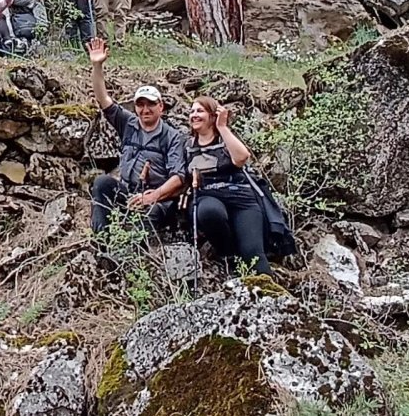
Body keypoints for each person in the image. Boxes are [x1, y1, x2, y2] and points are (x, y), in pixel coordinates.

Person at [88, 38, 185, 236]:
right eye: (140, 105)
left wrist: (153, 196)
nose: (145, 109)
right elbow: (102, 98)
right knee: (102, 183)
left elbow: (178, 177)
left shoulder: (172, 137)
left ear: (161, 107)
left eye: (150, 104)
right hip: (127, 192)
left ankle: (136, 250)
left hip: (157, 198)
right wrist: (97, 66)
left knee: (149, 216)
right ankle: (101, 240)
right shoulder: (128, 123)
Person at [186, 96, 273, 277]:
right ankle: (228, 254)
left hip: (241, 199)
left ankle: (268, 290)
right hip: (208, 196)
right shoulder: (187, 145)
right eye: (192, 111)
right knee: (209, 212)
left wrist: (222, 127)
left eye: (200, 111)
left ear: (212, 115)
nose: (194, 115)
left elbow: (241, 158)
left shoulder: (225, 140)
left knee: (253, 254)